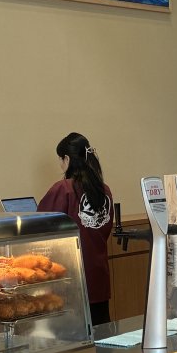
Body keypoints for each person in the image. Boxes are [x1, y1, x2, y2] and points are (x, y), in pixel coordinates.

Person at [37, 133, 113, 325]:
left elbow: (42, 226)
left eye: (60, 159)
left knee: (74, 334)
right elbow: (106, 229)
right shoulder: (104, 190)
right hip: (98, 276)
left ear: (67, 159)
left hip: (70, 278)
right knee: (101, 331)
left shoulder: (64, 189)